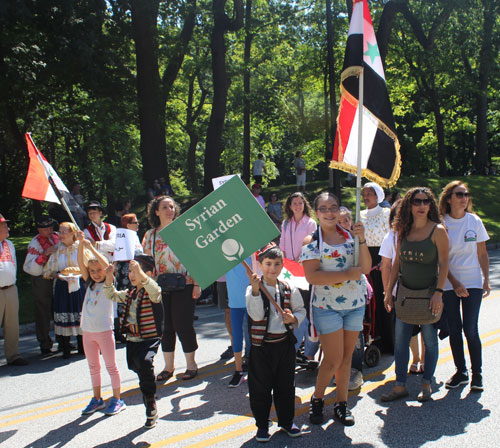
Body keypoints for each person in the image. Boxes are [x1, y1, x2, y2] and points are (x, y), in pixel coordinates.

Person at [302, 192, 371, 426]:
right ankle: (318, 398)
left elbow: (367, 267)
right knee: (332, 359)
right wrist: (345, 274)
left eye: (334, 207)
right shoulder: (311, 241)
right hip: (327, 307)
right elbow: (311, 277)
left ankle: (342, 404)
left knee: (346, 358)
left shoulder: (350, 237)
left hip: (354, 305)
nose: (330, 212)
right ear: (316, 213)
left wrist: (361, 240)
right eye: (324, 208)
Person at [382, 187, 449, 402]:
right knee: (400, 343)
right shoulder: (403, 230)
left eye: (426, 201)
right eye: (417, 201)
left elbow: (444, 264)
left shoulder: (438, 230)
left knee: (430, 342)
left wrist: (439, 292)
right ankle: (400, 385)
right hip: (405, 295)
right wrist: (388, 292)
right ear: (409, 205)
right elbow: (397, 263)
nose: (421, 206)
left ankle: (426, 384)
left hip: (429, 295)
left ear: (431, 205)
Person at [246, 244, 306, 442]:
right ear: (260, 265)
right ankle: (262, 425)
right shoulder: (252, 289)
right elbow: (255, 315)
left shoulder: (290, 288)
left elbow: (300, 310)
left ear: (282, 267)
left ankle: (287, 422)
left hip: (284, 345)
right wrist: (256, 291)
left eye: (277, 264)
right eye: (268, 263)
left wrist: (293, 319)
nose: (272, 268)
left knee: (286, 386)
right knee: (260, 389)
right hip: (261, 348)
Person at [142, 195, 201, 382]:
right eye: (165, 207)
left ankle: (191, 365)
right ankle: (168, 367)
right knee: (165, 327)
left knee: (183, 324)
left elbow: (196, 257)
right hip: (159, 286)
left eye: (172, 206)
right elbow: (145, 262)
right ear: (156, 211)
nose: (170, 210)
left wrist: (198, 283)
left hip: (185, 283)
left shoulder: (184, 230)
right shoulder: (150, 235)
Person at [439, 181, 490, 391]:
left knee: (470, 328)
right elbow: (441, 259)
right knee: (455, 329)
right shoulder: (442, 224)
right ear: (449, 199)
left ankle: (477, 374)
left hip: (472, 282)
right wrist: (453, 281)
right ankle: (461, 372)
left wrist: (486, 279)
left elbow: (482, 253)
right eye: (459, 194)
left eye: (466, 194)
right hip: (449, 282)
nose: (464, 198)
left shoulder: (474, 221)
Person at [103, 255, 162, 428]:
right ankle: (146, 388)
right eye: (130, 271)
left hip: (149, 338)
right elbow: (111, 294)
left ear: (148, 274)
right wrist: (108, 277)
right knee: (135, 366)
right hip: (132, 339)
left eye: (136, 271)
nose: (132, 275)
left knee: (145, 363)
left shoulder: (151, 291)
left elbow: (156, 291)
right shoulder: (130, 293)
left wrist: (143, 276)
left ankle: (150, 402)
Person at [77, 232, 125, 416]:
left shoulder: (108, 284)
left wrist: (92, 249)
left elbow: (107, 267)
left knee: (111, 366)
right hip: (88, 332)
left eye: (99, 271)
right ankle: (97, 399)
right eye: (92, 271)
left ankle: (117, 399)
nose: (96, 274)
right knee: (93, 367)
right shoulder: (89, 283)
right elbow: (82, 264)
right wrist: (82, 244)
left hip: (104, 331)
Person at [279, 192, 318, 361]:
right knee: (293, 308)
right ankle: (294, 346)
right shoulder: (286, 224)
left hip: (304, 271)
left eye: (300, 203)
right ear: (289, 206)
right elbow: (282, 246)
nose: (297, 206)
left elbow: (311, 246)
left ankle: (309, 351)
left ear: (304, 205)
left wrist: (295, 262)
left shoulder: (310, 223)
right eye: (294, 203)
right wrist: (285, 262)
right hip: (289, 272)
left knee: (307, 310)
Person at [43, 222, 86, 358]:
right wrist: (58, 275)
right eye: (59, 232)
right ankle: (66, 347)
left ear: (73, 233)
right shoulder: (57, 250)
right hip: (62, 285)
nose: (60, 235)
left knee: (80, 313)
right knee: (64, 312)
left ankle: (82, 346)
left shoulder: (80, 247)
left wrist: (80, 274)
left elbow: (90, 264)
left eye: (64, 232)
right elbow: (48, 271)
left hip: (79, 283)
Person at [360, 182, 393, 354]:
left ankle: (390, 340)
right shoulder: (360, 215)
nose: (366, 196)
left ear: (378, 195)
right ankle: (376, 337)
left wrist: (385, 260)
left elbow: (393, 237)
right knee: (371, 303)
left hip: (383, 260)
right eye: (364, 193)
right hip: (367, 259)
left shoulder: (387, 214)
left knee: (384, 299)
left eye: (370, 193)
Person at [23, 216, 59, 355]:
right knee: (43, 311)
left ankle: (63, 340)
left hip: (56, 276)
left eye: (51, 227)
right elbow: (30, 267)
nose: (50, 230)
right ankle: (45, 343)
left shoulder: (56, 237)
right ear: (39, 229)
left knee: (58, 309)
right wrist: (44, 254)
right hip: (41, 279)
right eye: (46, 228)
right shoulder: (35, 243)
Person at [338, 206, 365, 390]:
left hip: (355, 293)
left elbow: (365, 265)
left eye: (345, 221)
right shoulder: (329, 241)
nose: (342, 225)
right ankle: (339, 371)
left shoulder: (357, 240)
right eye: (338, 222)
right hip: (336, 295)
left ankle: (355, 372)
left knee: (354, 337)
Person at [0, 214, 28, 366]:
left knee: (12, 324)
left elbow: (14, 264)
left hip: (11, 288)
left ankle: (13, 355)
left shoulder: (9, 244)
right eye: (4, 226)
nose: (8, 228)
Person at [113, 213, 143, 343]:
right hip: (125, 270)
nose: (137, 225)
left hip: (135, 268)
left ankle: (137, 327)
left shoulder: (135, 236)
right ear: (128, 224)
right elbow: (117, 254)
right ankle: (124, 330)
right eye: (135, 223)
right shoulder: (122, 236)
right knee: (127, 299)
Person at [225, 260, 252, 387]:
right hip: (235, 303)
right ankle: (238, 370)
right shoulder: (224, 255)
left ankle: (257, 367)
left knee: (254, 336)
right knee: (236, 337)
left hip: (252, 301)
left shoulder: (253, 252)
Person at [216, 275, 234, 360]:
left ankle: (249, 347)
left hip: (240, 276)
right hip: (222, 279)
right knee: (228, 311)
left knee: (246, 311)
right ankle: (233, 345)